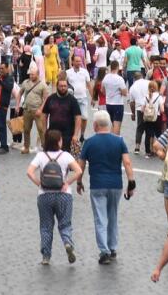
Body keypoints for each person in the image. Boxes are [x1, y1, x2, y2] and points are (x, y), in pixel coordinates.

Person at [77, 110, 136, 265]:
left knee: (100, 218)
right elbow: (127, 162)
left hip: (97, 184)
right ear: (109, 124)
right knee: (113, 216)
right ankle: (113, 247)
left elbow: (80, 165)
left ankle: (104, 251)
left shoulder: (89, 142)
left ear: (95, 125)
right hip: (115, 184)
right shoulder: (119, 141)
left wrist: (79, 181)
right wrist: (131, 183)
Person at [26, 128, 81, 266]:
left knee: (45, 226)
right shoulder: (66, 155)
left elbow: (29, 172)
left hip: (44, 195)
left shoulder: (41, 156)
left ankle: (46, 256)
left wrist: (39, 183)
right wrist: (67, 183)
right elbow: (78, 171)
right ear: (59, 141)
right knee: (65, 224)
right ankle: (67, 243)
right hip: (63, 195)